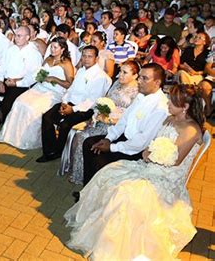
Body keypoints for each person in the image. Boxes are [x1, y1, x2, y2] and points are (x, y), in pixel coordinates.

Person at [65, 84, 204, 260]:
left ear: (185, 107)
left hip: (166, 177)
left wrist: (150, 155)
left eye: (172, 101)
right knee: (109, 173)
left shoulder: (190, 130)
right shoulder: (172, 118)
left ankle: (116, 246)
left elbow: (175, 160)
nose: (167, 102)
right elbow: (155, 141)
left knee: (126, 193)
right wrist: (148, 152)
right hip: (150, 166)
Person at [82, 63, 169, 184]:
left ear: (157, 83)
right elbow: (124, 120)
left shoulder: (160, 108)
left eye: (145, 78)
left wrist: (112, 147)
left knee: (99, 162)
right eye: (140, 77)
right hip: (125, 140)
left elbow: (141, 141)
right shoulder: (141, 95)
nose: (139, 81)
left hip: (137, 151)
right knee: (89, 143)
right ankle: (87, 190)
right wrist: (108, 138)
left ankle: (97, 194)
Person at [0, 37, 74, 149]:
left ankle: (27, 140)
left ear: (63, 49)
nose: (52, 49)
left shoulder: (66, 63)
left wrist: (55, 79)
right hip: (40, 87)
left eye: (55, 47)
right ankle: (12, 136)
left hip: (54, 92)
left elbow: (70, 84)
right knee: (19, 102)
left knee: (32, 108)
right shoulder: (48, 59)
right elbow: (37, 74)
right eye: (51, 46)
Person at [68, 61, 140, 184]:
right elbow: (105, 100)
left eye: (125, 72)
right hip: (103, 118)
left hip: (117, 125)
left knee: (83, 136)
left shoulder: (137, 91)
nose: (120, 75)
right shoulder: (117, 83)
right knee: (78, 134)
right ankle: (78, 173)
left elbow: (131, 116)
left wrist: (110, 118)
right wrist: (97, 115)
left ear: (135, 76)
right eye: (120, 71)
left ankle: (84, 177)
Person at [37, 46, 112, 163]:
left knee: (65, 125)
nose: (86, 59)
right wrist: (65, 102)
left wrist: (73, 109)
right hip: (70, 103)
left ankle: (59, 151)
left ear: (96, 58)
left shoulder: (100, 77)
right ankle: (49, 151)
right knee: (47, 117)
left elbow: (92, 101)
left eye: (90, 56)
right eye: (84, 56)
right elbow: (71, 89)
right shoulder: (81, 70)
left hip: (85, 108)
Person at [0, 26, 43, 130]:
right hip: (5, 81)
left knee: (6, 105)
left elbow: (34, 76)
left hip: (21, 85)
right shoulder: (11, 50)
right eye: (16, 35)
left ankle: (8, 128)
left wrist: (16, 83)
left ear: (27, 37)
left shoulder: (34, 54)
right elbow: (2, 68)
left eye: (19, 36)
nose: (16, 38)